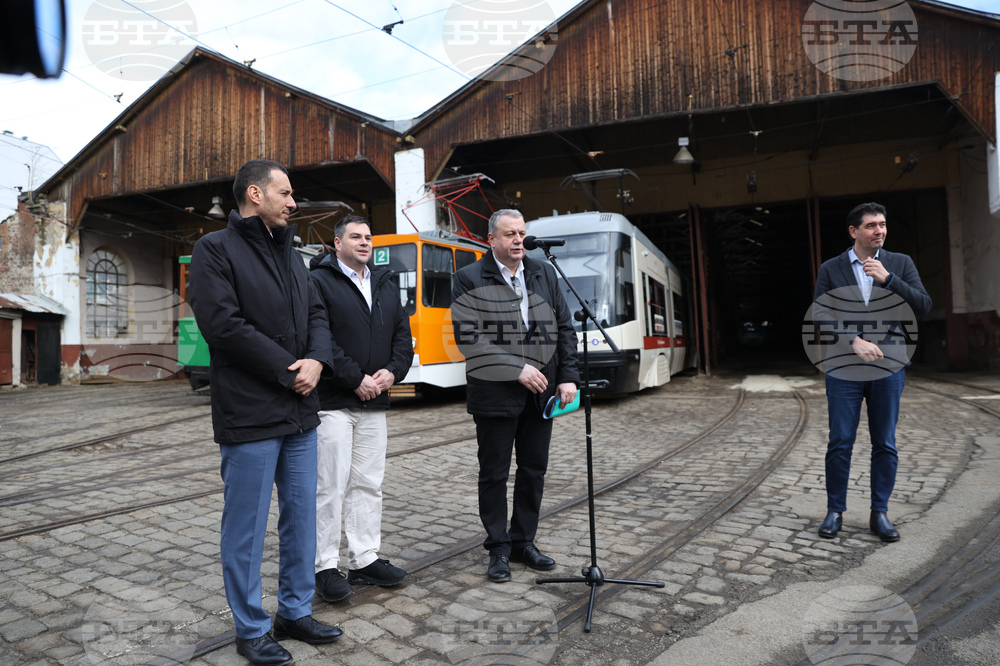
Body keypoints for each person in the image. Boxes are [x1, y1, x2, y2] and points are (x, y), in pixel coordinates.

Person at [189, 160, 342, 666]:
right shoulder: (214, 251)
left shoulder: (294, 254)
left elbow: (318, 314)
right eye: (286, 192)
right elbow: (223, 326)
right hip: (251, 411)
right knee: (247, 527)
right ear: (255, 193)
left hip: (300, 412)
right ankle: (250, 628)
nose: (293, 202)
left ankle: (294, 612)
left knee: (302, 518)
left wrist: (317, 360)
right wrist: (287, 368)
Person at [451, 209, 579, 582]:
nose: (518, 240)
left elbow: (565, 327)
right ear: (492, 239)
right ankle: (498, 548)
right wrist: (516, 369)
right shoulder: (468, 278)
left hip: (542, 393)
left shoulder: (543, 271)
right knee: (494, 473)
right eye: (510, 234)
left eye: (522, 232)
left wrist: (568, 376)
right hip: (495, 393)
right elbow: (469, 338)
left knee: (533, 470)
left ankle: (523, 541)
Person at [308, 215, 414, 602]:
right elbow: (318, 338)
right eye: (355, 236)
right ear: (337, 243)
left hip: (375, 403)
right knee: (329, 486)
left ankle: (365, 558)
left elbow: (404, 338)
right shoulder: (318, 280)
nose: (364, 242)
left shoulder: (385, 283)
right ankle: (323, 566)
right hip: (334, 402)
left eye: (369, 236)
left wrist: (392, 373)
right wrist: (355, 378)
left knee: (368, 483)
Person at [813, 202, 931, 543]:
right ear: (854, 232)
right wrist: (852, 341)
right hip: (844, 365)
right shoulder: (832, 268)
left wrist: (889, 279)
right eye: (871, 226)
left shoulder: (900, 264)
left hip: (888, 365)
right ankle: (835, 510)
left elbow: (923, 305)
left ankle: (880, 513)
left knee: (885, 443)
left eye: (882, 224)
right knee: (840, 441)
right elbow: (819, 313)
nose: (879, 230)